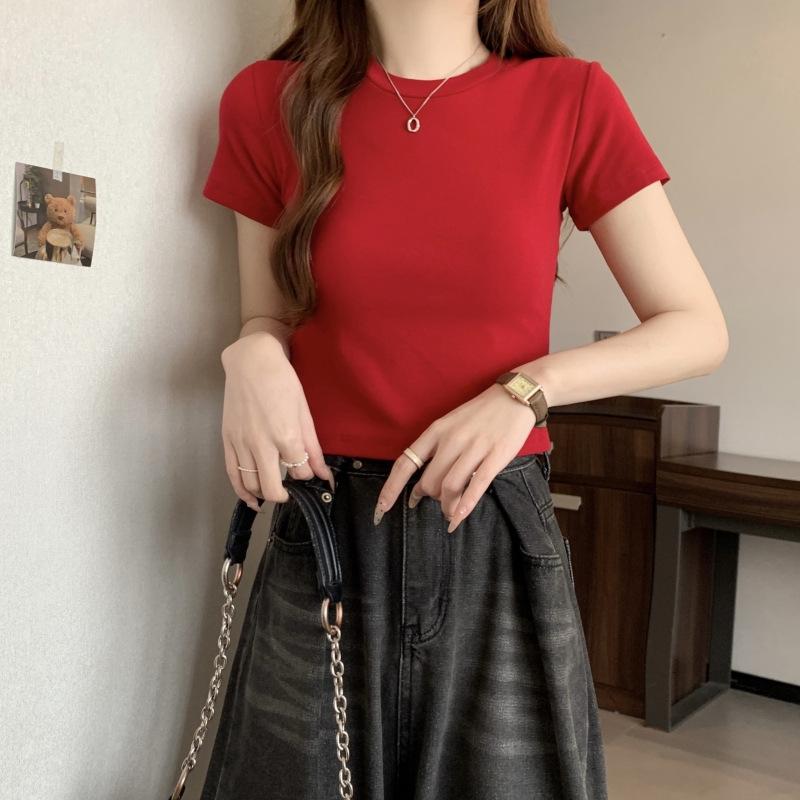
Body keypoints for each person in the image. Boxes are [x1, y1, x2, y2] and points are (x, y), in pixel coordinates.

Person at [197, 2, 729, 798]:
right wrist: (250, 353)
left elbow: (696, 328)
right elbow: (265, 317)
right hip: (327, 527)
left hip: (493, 525)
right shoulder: (267, 100)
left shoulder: (572, 98)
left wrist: (529, 390)